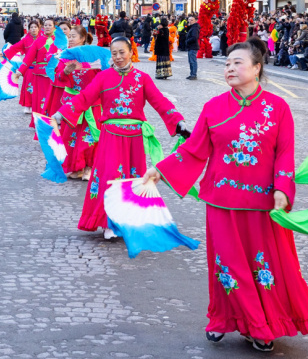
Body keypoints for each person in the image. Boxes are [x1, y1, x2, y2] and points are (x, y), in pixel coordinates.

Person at [144, 38, 308, 352]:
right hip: (221, 202)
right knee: (228, 266)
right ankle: (224, 319)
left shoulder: (278, 108)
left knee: (263, 265)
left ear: (256, 68)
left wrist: (282, 189)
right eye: (227, 63)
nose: (230, 68)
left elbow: (285, 153)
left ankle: (264, 325)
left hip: (263, 203)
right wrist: (162, 169)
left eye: (237, 63)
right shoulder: (214, 107)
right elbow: (194, 150)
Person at [52, 36, 185, 238]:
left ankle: (127, 222)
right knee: (109, 177)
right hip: (110, 137)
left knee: (132, 180)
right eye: (114, 53)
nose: (118, 57)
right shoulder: (103, 77)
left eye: (122, 52)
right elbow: (85, 97)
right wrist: (62, 113)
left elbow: (160, 102)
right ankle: (109, 223)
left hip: (134, 139)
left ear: (131, 51)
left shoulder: (142, 79)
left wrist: (178, 122)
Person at [53, 25, 100, 181]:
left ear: (82, 39)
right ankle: (75, 166)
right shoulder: (64, 55)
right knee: (70, 136)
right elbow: (59, 78)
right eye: (69, 36)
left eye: (74, 36)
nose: (70, 39)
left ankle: (89, 167)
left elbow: (103, 76)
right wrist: (65, 72)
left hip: (91, 103)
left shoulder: (93, 55)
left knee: (89, 137)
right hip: (71, 103)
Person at [13, 17, 59, 127]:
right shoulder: (38, 41)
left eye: (50, 25)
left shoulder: (59, 41)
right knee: (40, 100)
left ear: (54, 27)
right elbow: (28, 58)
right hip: (39, 76)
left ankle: (54, 120)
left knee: (53, 99)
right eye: (46, 25)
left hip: (54, 75)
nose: (47, 27)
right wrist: (20, 72)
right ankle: (40, 122)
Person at [3, 19, 40, 114]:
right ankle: (28, 105)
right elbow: (15, 47)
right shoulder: (25, 40)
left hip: (41, 69)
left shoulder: (44, 39)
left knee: (40, 88)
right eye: (31, 27)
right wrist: (5, 54)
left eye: (35, 27)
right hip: (29, 68)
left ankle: (39, 106)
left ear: (39, 28)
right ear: (28, 29)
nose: (33, 29)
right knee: (29, 87)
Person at [185, 15, 200, 80]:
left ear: (195, 21)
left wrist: (188, 41)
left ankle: (194, 74)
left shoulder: (195, 28)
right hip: (190, 46)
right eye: (189, 20)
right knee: (190, 61)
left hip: (193, 46)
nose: (190, 21)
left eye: (192, 20)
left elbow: (194, 37)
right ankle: (192, 74)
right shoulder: (191, 27)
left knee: (193, 61)